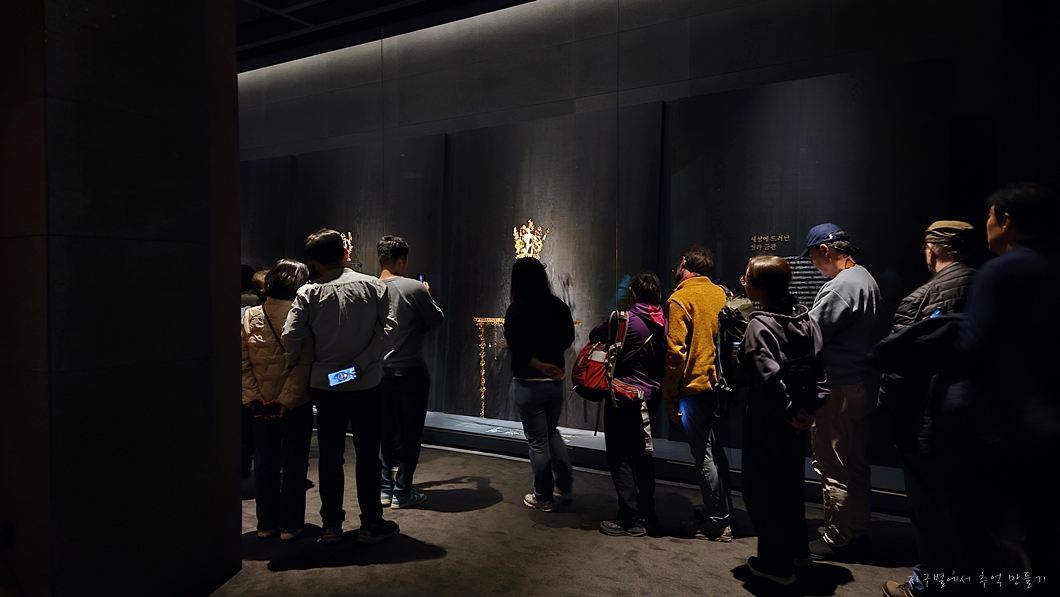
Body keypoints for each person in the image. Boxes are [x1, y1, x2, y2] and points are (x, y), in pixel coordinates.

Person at [953, 183, 1059, 581]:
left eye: (990, 216)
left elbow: (975, 348)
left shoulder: (1001, 271)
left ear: (1006, 220)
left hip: (1013, 427)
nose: (987, 224)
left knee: (993, 538)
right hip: (1049, 424)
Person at [877, 221, 977, 597]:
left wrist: (891, 417)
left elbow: (897, 367)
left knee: (929, 509)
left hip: (928, 422)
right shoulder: (989, 286)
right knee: (968, 507)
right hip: (980, 420)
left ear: (931, 250)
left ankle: (928, 585)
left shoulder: (922, 297)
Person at [282, 229, 399, 545]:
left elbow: (290, 335)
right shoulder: (373, 285)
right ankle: (371, 522)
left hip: (326, 384)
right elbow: (389, 329)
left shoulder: (308, 292)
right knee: (368, 455)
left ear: (314, 261)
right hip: (366, 381)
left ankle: (331, 525)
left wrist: (294, 360)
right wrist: (359, 365)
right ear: (345, 253)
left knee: (330, 456)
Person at [737, 255, 828, 585]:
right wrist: (809, 410)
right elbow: (819, 368)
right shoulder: (806, 317)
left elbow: (768, 379)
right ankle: (798, 553)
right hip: (798, 420)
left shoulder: (759, 326)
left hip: (769, 421)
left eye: (747, 277)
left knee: (762, 490)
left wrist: (788, 411)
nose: (743, 281)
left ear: (760, 287)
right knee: (790, 486)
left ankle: (775, 566)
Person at [802, 223, 880, 561]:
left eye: (813, 258)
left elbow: (811, 335)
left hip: (837, 388)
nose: (814, 266)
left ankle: (838, 537)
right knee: (856, 464)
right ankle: (857, 531)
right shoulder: (866, 279)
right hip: (861, 385)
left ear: (825, 250)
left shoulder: (840, 286)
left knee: (832, 465)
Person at [663, 245, 734, 542]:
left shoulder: (680, 299)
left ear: (683, 263)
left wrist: (670, 396)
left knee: (703, 455)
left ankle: (717, 521)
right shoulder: (721, 293)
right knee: (717, 453)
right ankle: (722, 511)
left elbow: (675, 353)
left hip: (694, 388)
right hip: (722, 386)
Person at [241, 259, 315, 541]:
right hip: (294, 405)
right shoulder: (302, 316)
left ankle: (266, 523)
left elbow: (243, 364)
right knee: (294, 464)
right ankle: (290, 524)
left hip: (260, 404)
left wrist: (255, 398)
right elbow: (303, 366)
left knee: (265, 463)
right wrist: (286, 400)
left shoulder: (251, 315)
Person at [593, 271, 667, 537]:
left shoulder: (622, 319)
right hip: (651, 397)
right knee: (643, 455)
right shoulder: (663, 321)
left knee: (620, 455)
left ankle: (629, 518)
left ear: (633, 292)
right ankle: (648, 513)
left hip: (623, 397)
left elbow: (595, 334)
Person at [376, 235, 445, 509]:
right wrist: (426, 293)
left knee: (384, 432)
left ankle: (383, 489)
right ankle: (402, 492)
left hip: (379, 373)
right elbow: (436, 320)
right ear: (402, 260)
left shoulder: (368, 287)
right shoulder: (414, 288)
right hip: (411, 372)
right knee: (410, 433)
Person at [504, 257, 576, 512]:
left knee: (537, 441)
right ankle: (565, 485)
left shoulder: (516, 310)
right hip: (554, 382)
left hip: (528, 383)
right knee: (551, 431)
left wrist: (539, 365)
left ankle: (543, 496)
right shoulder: (558, 307)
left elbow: (517, 348)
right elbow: (568, 338)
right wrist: (550, 363)